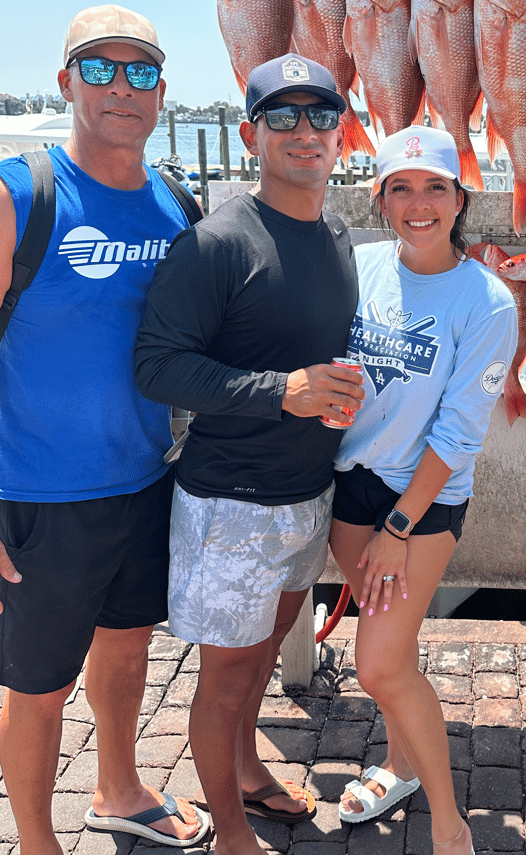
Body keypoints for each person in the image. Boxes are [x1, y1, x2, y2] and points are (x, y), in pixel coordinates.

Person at [0, 5, 210, 852]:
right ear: (68, 81)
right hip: (33, 492)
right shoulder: (10, 197)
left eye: (141, 71)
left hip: (143, 477)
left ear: (160, 93)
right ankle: (36, 842)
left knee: (126, 648)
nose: (122, 86)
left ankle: (117, 787)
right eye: (101, 68)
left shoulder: (174, 202)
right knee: (35, 687)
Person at [134, 54, 364, 855]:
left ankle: (247, 775)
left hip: (307, 494)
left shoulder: (335, 232)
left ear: (342, 130)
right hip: (231, 502)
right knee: (227, 678)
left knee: (263, 661)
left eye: (320, 116)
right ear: (249, 133)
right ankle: (229, 831)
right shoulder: (216, 243)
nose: (304, 132)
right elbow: (158, 366)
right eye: (282, 117)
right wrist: (282, 390)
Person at [329, 125, 517, 855]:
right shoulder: (359, 267)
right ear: (380, 199)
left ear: (459, 198)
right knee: (393, 654)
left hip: (423, 504)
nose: (418, 204)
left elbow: (461, 432)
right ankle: (400, 768)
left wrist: (399, 528)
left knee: (376, 662)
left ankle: (447, 819)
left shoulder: (488, 301)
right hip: (352, 484)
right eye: (400, 188)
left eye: (435, 187)